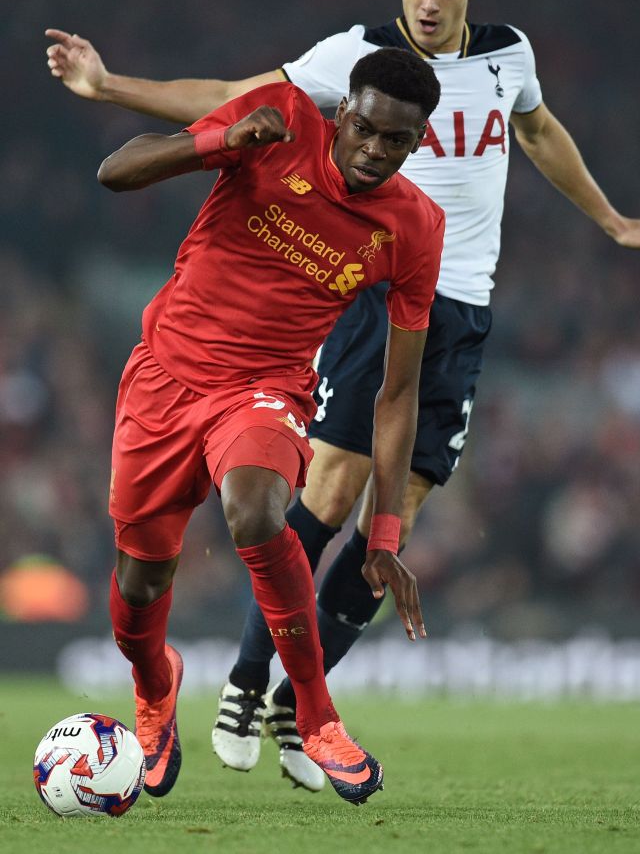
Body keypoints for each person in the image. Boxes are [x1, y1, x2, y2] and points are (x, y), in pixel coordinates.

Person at [45, 0, 640, 793]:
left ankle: (298, 705)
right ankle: (213, 682)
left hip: (436, 310)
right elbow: (223, 99)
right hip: (296, 318)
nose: (431, 1)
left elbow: (539, 132)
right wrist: (119, 88)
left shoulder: (505, 67)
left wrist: (611, 218)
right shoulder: (334, 66)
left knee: (372, 514)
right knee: (202, 553)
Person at [94, 47, 444, 805]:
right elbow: (116, 172)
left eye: (399, 142)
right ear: (343, 112)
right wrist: (220, 143)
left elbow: (399, 390)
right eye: (369, 129)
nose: (377, 151)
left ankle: (317, 716)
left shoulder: (414, 227)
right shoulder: (281, 120)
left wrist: (383, 530)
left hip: (267, 387)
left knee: (256, 510)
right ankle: (155, 684)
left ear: (419, 143)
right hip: (163, 376)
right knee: (139, 583)